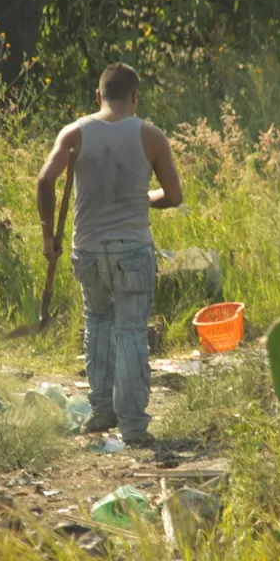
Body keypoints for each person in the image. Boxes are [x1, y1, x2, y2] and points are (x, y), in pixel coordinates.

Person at [36, 63, 183, 447]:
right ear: (135, 97)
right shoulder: (151, 136)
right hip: (133, 249)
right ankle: (134, 428)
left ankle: (102, 413)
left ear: (98, 97)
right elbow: (174, 196)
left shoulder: (74, 134)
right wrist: (145, 197)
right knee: (132, 333)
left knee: (98, 324)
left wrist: (48, 236)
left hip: (88, 249)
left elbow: (45, 180)